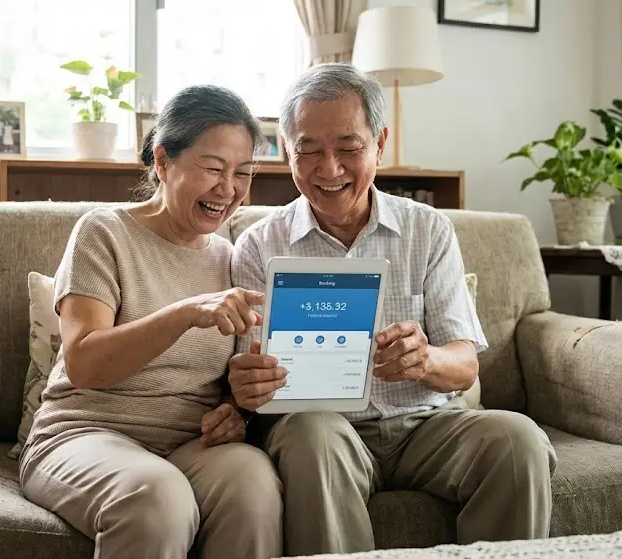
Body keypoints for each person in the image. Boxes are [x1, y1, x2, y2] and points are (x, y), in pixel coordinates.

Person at [228, 62, 557, 556]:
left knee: (518, 440)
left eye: (348, 147)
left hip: (428, 426)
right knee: (311, 436)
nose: (329, 168)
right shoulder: (258, 245)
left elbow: (464, 363)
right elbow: (247, 384)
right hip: (326, 429)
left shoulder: (428, 229)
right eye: (309, 150)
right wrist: (246, 388)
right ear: (287, 155)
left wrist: (426, 360)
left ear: (379, 144)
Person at [19, 84, 283, 559]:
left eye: (243, 173)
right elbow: (83, 363)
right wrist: (185, 313)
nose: (229, 189)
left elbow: (236, 372)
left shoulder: (232, 257)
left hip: (190, 444)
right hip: (84, 434)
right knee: (157, 496)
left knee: (254, 482)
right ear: (162, 161)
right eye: (213, 168)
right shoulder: (104, 232)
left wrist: (235, 411)